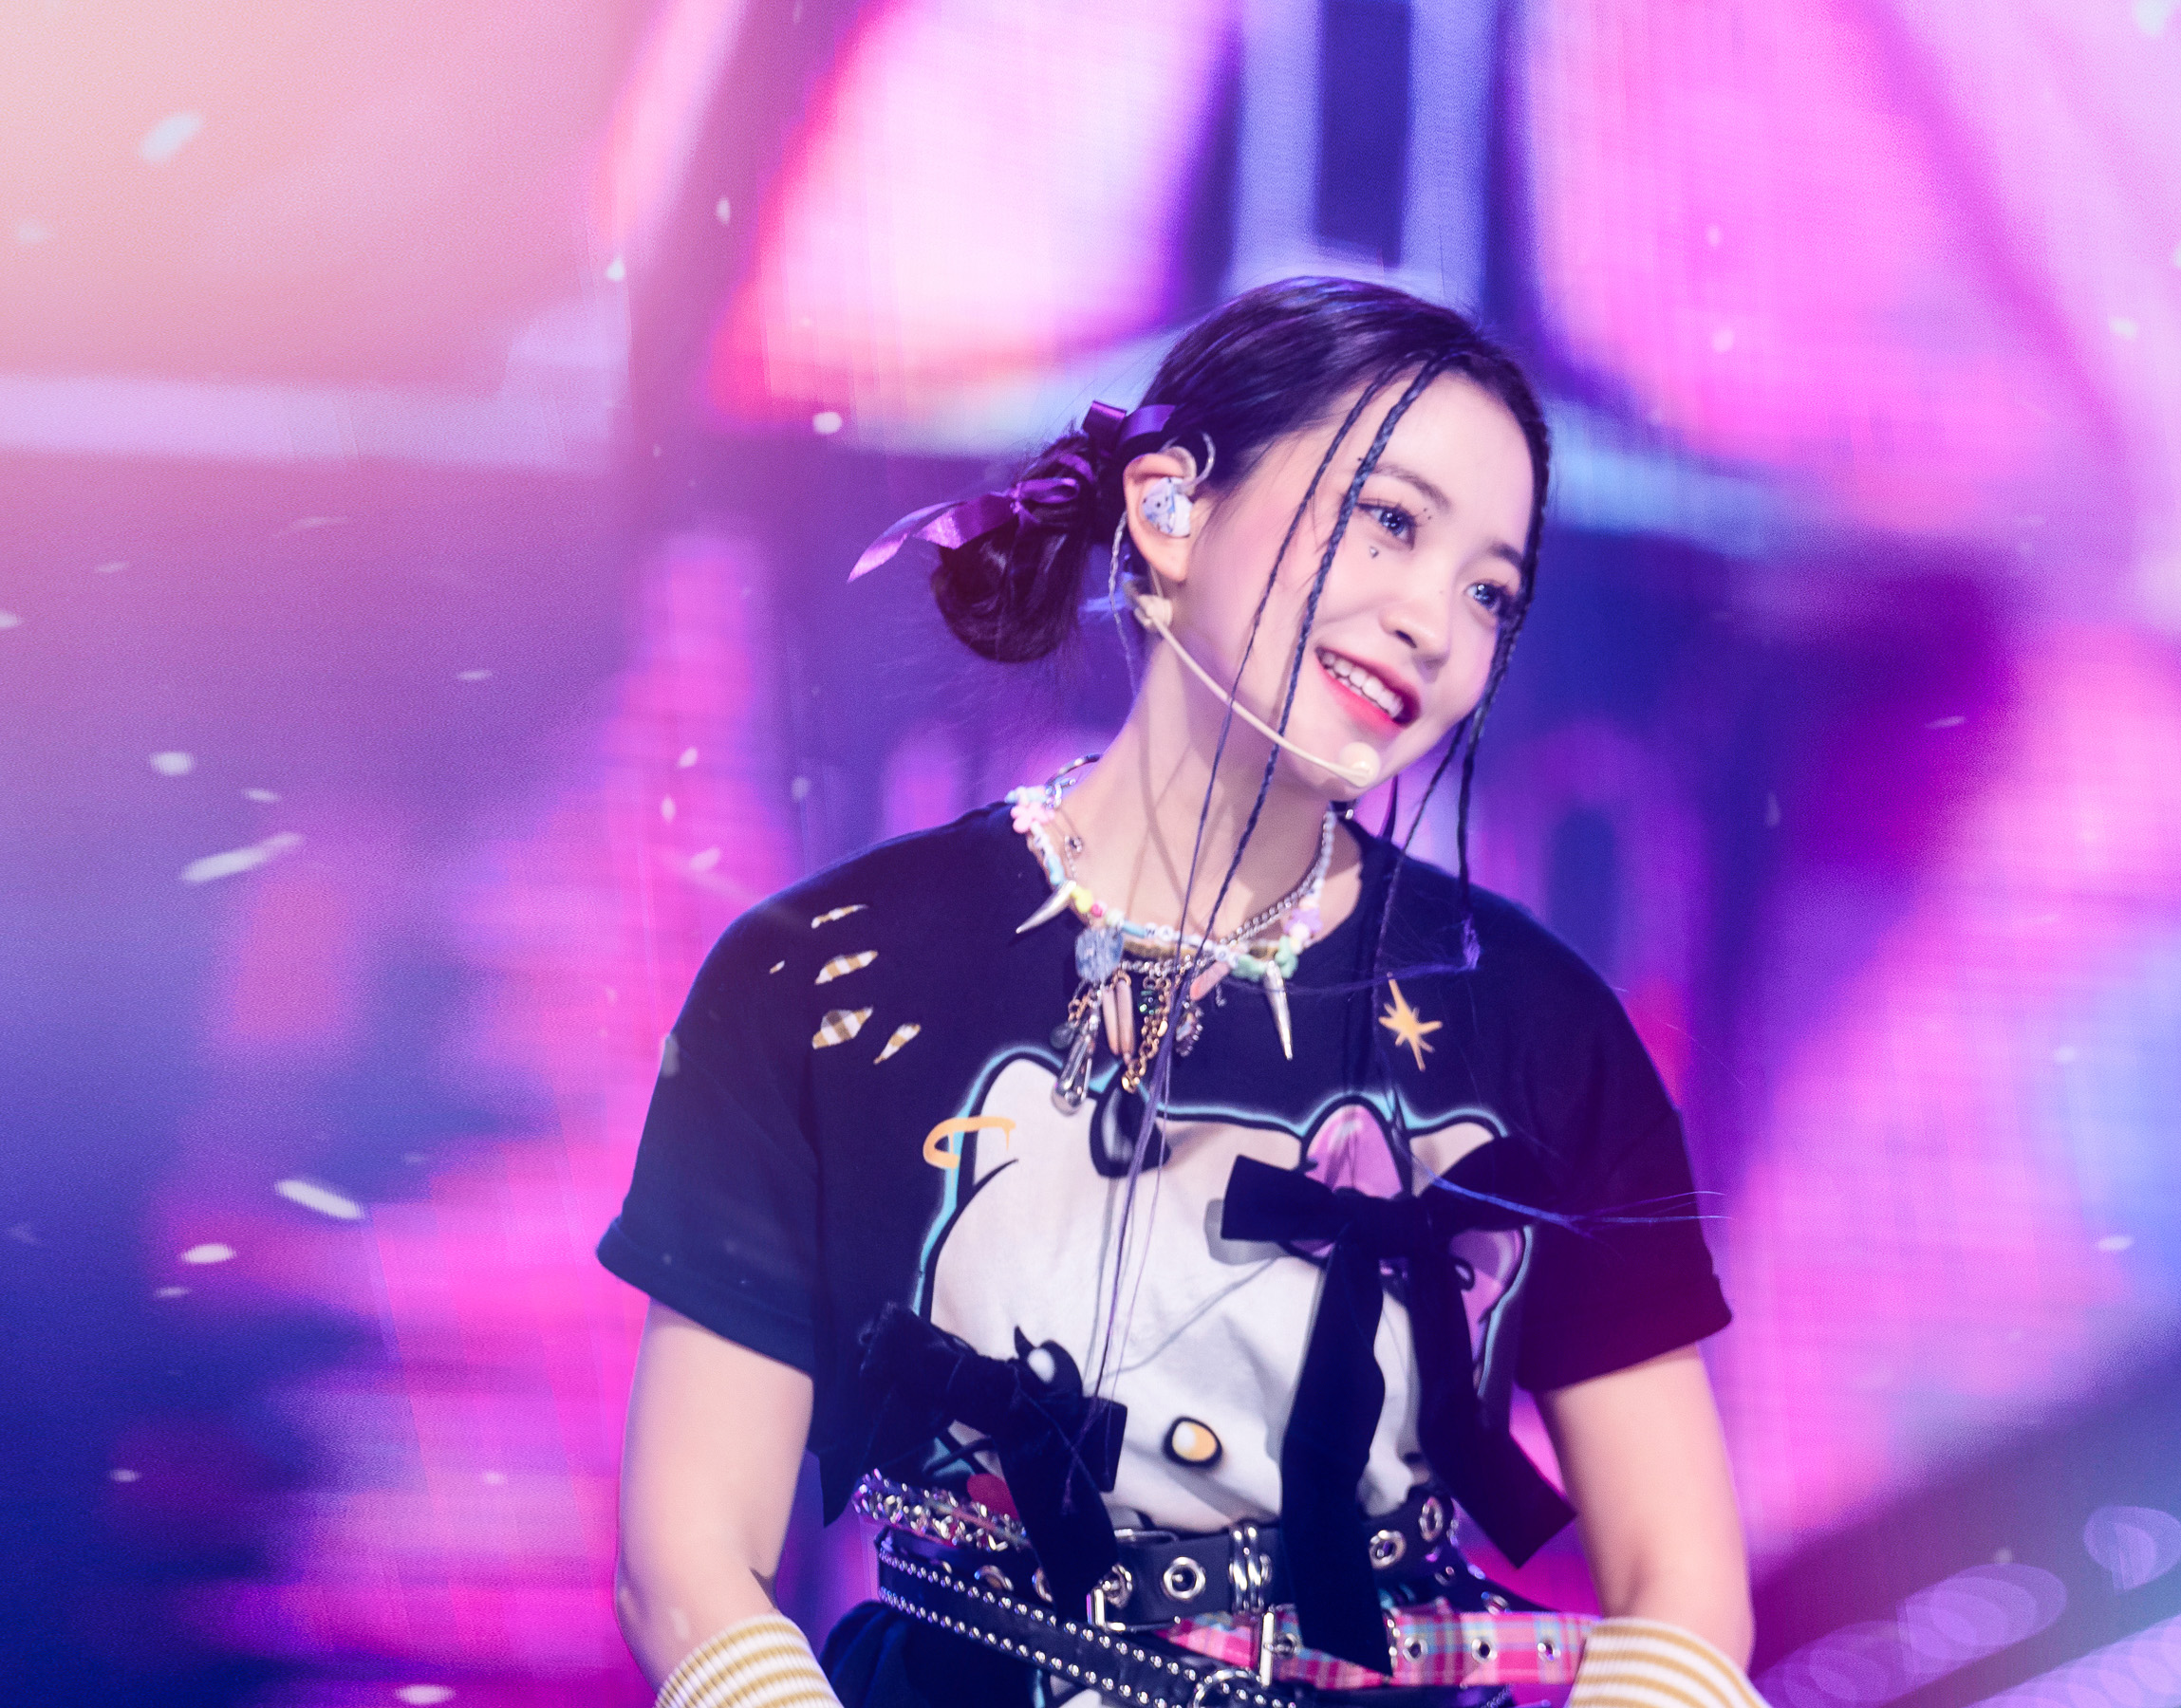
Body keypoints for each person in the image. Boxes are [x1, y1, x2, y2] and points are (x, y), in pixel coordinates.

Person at [601, 278, 1764, 1708]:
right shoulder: (824, 972)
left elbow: (1681, 1590)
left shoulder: (1542, 1025)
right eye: (1390, 521)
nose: (1433, 621)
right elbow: (688, 1557)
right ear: (1167, 508)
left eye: (1489, 593)